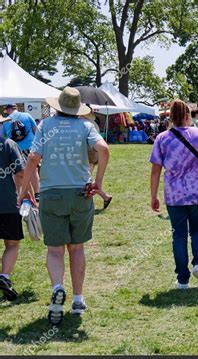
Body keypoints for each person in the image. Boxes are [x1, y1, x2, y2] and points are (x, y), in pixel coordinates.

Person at [18, 87, 110, 325]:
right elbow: (103, 149)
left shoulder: (46, 126)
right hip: (81, 193)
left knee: (55, 250)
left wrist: (23, 192)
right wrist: (98, 183)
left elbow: (33, 158)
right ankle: (78, 300)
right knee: (77, 249)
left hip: (52, 193)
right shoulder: (86, 126)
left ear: (58, 106)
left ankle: (58, 288)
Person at [150, 99, 198, 290]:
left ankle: (182, 279)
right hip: (197, 191)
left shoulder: (162, 138)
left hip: (174, 194)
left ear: (170, 117)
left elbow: (155, 170)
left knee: (178, 235)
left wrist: (153, 195)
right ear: (188, 115)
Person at [0, 117, 27, 301]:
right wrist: (24, 194)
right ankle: (4, 277)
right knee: (12, 243)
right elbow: (20, 173)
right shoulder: (8, 144)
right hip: (8, 203)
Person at [2, 103, 40, 196]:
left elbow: (4, 137)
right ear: (16, 108)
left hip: (15, 150)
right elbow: (36, 131)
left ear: (8, 110)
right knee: (33, 171)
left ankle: (21, 194)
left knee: (17, 172)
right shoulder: (27, 115)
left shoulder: (6, 121)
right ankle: (37, 194)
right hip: (30, 147)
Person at [83, 112, 113, 209]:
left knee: (86, 180)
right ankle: (105, 196)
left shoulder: (86, 125)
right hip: (93, 155)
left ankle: (104, 196)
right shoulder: (92, 124)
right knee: (87, 179)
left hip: (89, 155)